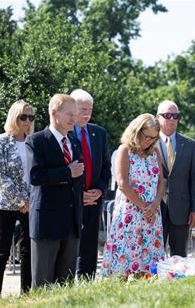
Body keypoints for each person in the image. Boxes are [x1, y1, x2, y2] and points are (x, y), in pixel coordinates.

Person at [26, 94, 84, 288]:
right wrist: (67, 172)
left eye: (76, 115)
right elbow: (35, 176)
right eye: (69, 114)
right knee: (42, 285)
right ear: (54, 113)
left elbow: (78, 177)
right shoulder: (36, 141)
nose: (74, 119)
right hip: (47, 224)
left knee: (66, 285)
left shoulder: (74, 142)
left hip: (71, 223)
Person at [101, 114, 165, 277]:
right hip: (130, 214)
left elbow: (161, 182)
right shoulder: (125, 150)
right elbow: (122, 184)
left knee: (149, 267)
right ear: (137, 131)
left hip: (152, 214)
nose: (149, 141)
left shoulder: (155, 152)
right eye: (147, 136)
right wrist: (144, 208)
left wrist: (155, 205)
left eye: (153, 138)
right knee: (124, 264)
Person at [0, 100, 34, 296]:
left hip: (30, 204)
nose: (27, 121)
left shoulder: (34, 141)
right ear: (14, 117)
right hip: (7, 203)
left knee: (28, 251)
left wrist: (29, 200)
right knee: (2, 251)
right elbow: (1, 176)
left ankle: (26, 294)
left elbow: (36, 174)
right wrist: (21, 201)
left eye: (30, 117)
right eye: (23, 116)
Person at [70, 89, 111, 279]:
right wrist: (79, 194)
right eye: (82, 109)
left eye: (90, 109)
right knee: (69, 245)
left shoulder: (99, 133)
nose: (87, 114)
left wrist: (100, 190)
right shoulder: (64, 134)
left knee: (89, 246)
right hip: (70, 200)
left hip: (94, 200)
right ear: (72, 108)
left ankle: (87, 281)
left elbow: (105, 166)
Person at [156, 100, 195, 257]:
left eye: (175, 116)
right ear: (157, 118)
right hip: (155, 209)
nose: (172, 119)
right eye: (167, 115)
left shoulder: (190, 145)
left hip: (182, 211)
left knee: (180, 258)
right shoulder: (148, 144)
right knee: (154, 256)